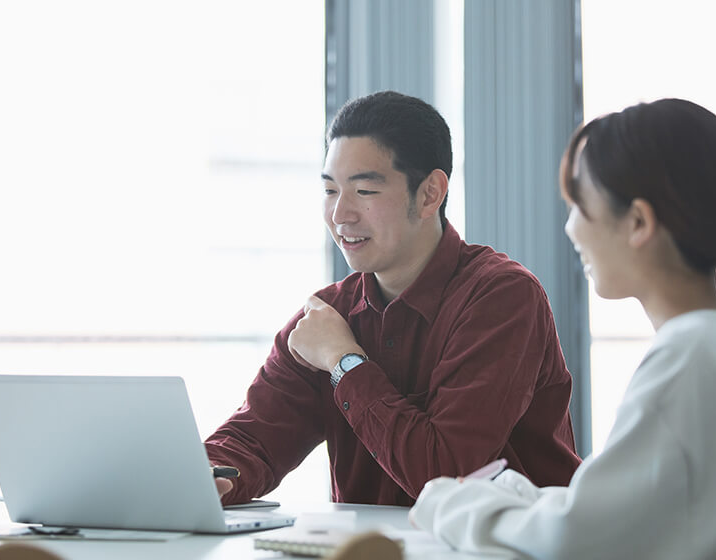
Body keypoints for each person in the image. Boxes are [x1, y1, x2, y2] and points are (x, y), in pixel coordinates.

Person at [409, 98, 716, 558]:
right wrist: (515, 495)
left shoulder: (692, 355)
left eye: (579, 204)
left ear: (638, 222)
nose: (570, 228)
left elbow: (575, 537)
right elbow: (622, 511)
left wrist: (448, 504)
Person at [206, 90, 581, 506]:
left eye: (364, 192)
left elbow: (444, 475)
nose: (340, 214)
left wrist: (345, 363)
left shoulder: (502, 297)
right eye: (331, 191)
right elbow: (253, 437)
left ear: (429, 194)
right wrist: (204, 478)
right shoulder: (331, 315)